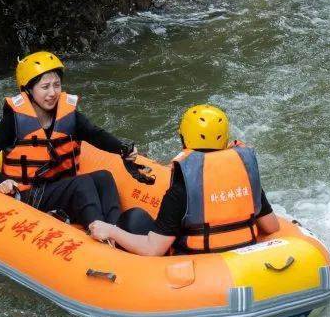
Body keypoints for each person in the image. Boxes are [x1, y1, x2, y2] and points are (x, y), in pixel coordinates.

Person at [0, 51, 153, 234]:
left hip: (60, 187)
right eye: (45, 87)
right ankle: (99, 231)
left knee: (103, 177)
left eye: (56, 85)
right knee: (81, 183)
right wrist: (1, 181)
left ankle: (116, 230)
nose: (52, 93)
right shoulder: (13, 122)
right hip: (29, 194)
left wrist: (122, 148)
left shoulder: (69, 116)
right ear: (28, 89)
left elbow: (96, 135)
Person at [88, 104, 280, 256]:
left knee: (134, 218)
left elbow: (153, 249)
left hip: (198, 264)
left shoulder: (182, 189)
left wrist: (111, 230)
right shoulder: (244, 175)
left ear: (184, 139)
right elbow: (271, 226)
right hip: (243, 255)